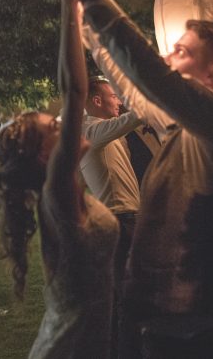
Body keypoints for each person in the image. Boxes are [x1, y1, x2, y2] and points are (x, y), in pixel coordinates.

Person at [64, 0, 213, 359]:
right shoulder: (180, 126)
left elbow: (151, 76)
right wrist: (82, 8)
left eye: (182, 50)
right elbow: (126, 78)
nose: (166, 54)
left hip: (204, 338)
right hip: (163, 328)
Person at [0, 0, 120, 358]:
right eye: (54, 130)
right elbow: (74, 90)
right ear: (45, 158)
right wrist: (72, 2)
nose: (64, 124)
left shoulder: (70, 191)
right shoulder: (57, 196)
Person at [79, 75, 142, 353]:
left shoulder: (106, 132)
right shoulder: (89, 130)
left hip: (129, 218)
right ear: (96, 100)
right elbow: (129, 120)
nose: (118, 100)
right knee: (123, 295)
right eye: (113, 96)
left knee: (126, 292)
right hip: (118, 220)